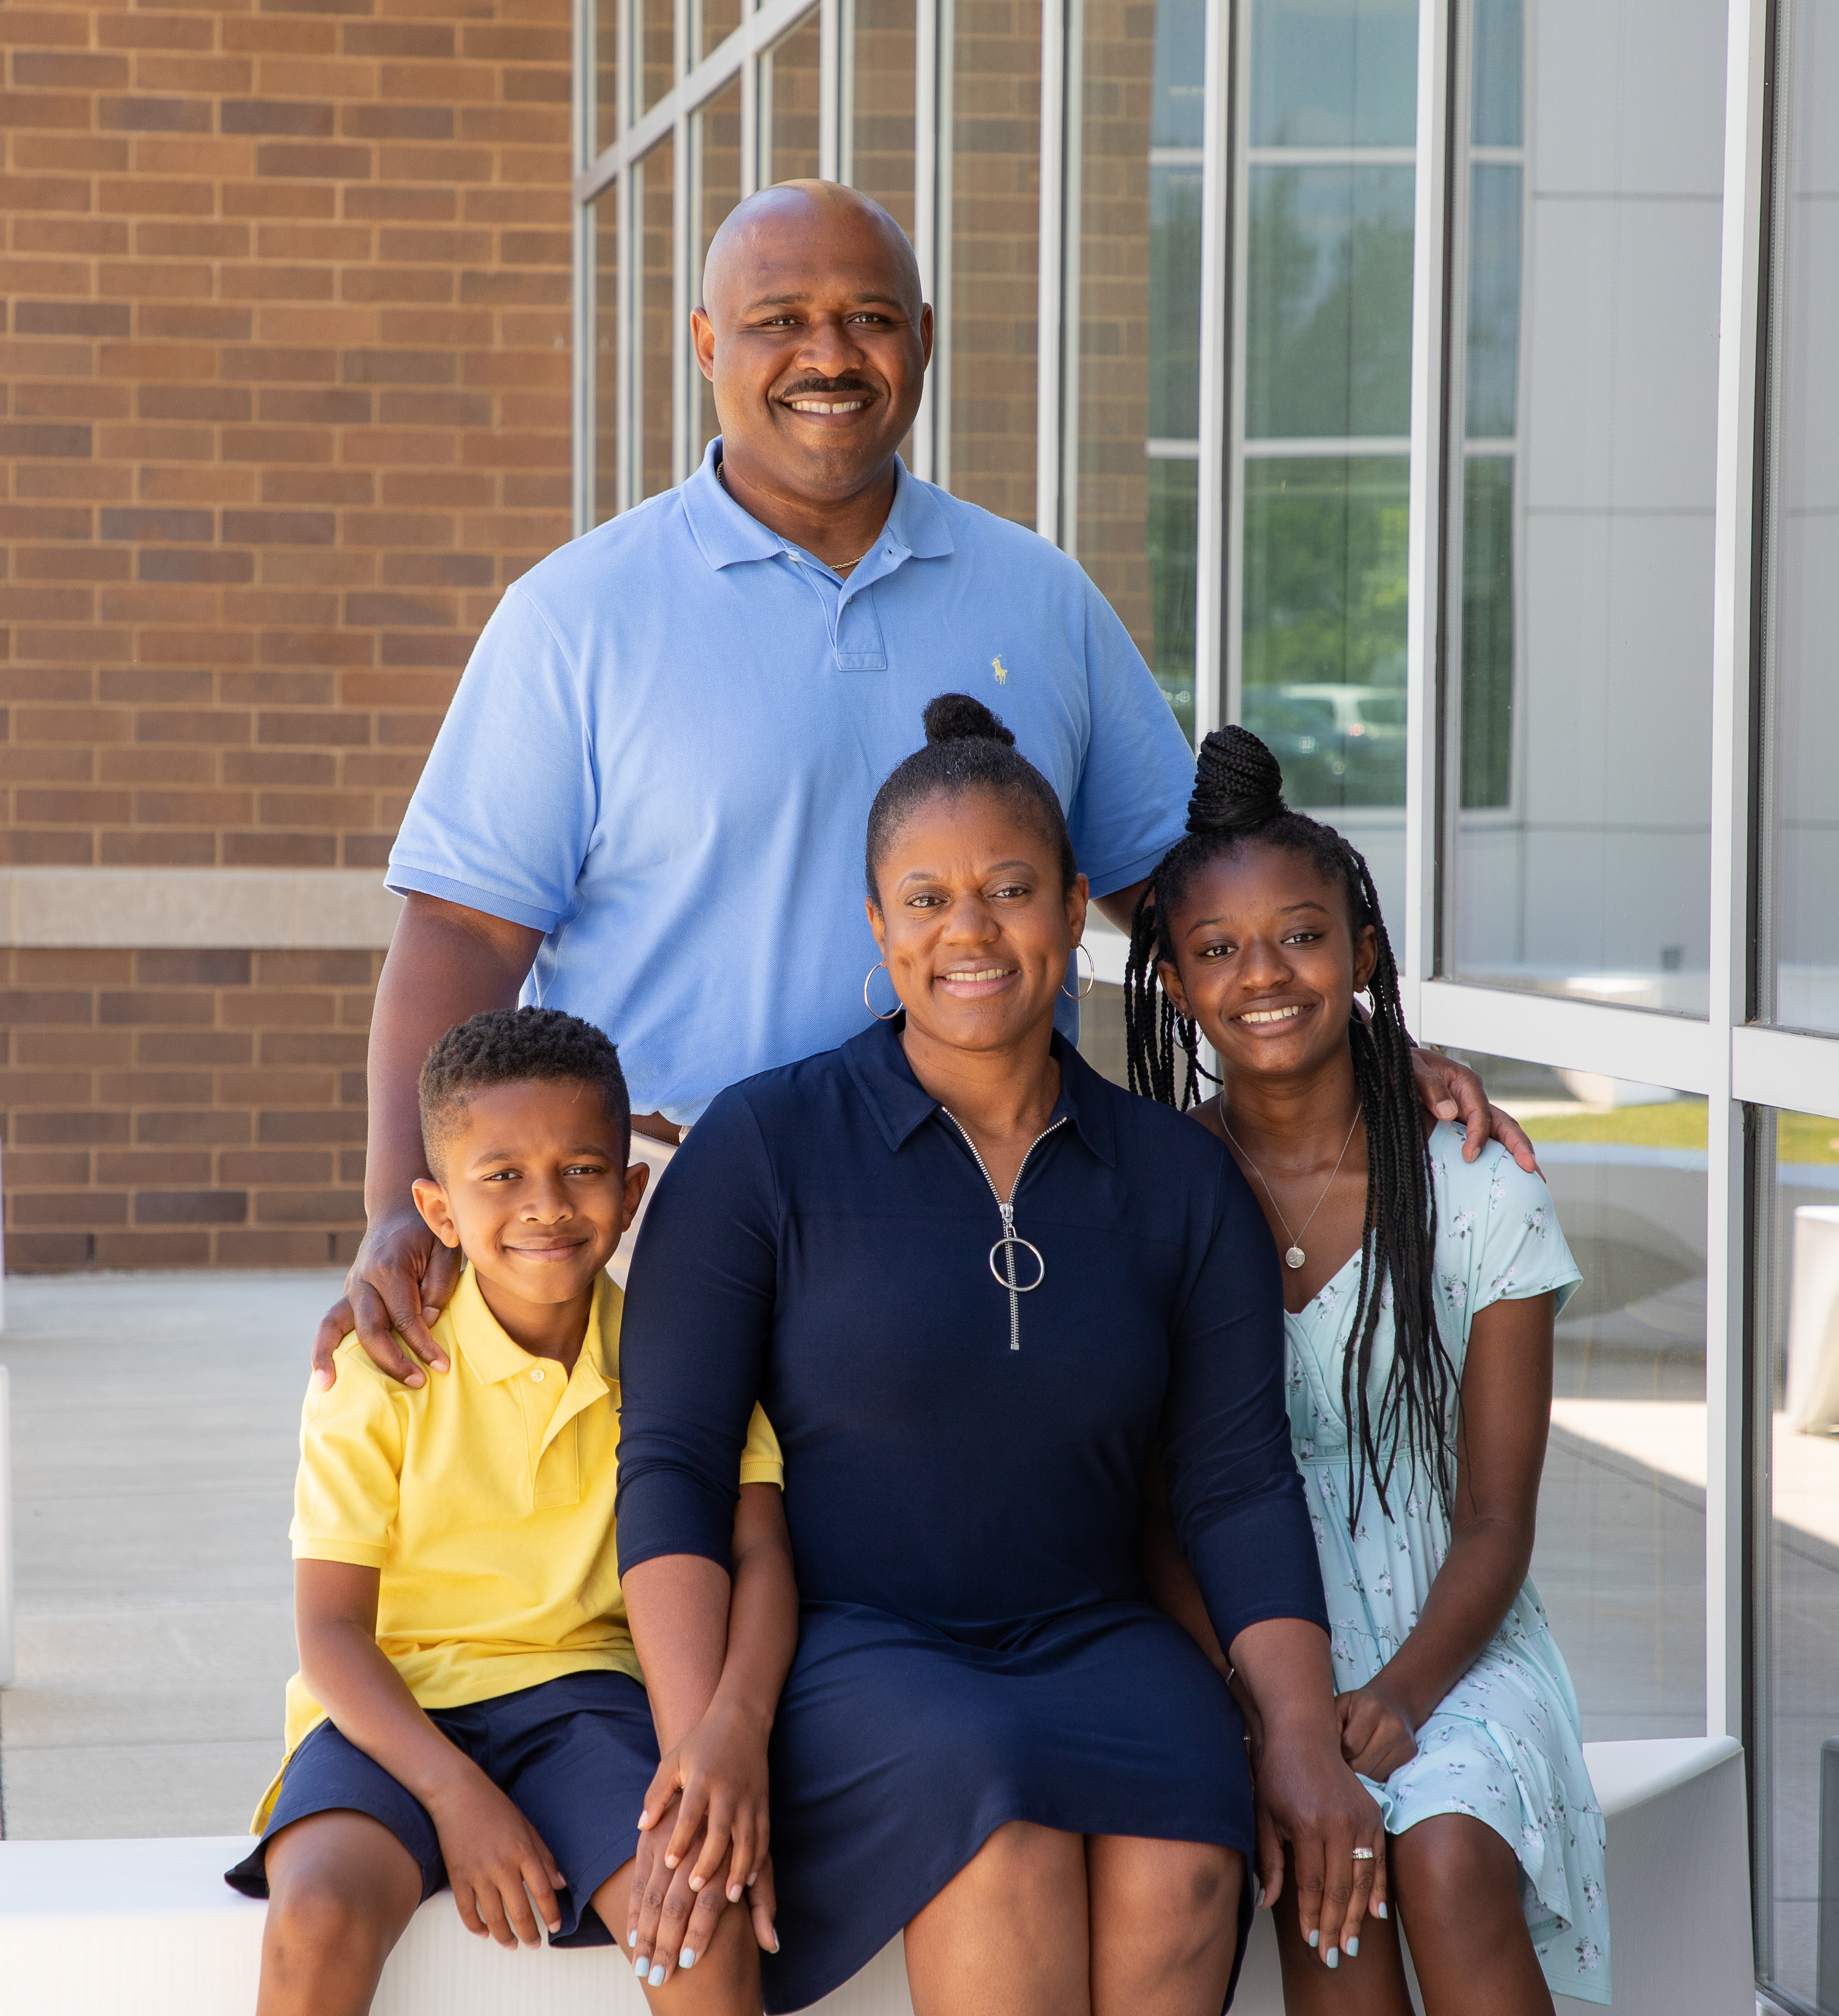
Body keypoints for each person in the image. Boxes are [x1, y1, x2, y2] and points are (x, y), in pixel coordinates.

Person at [311, 177, 1528, 1394]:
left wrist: (1352, 1054)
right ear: (704, 345)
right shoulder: (572, 619)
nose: (827, 355)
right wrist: (397, 1209)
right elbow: (465, 934)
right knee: (680, 1573)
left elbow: (1181, 895)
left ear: (924, 337)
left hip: (998, 1212)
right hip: (668, 1216)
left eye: (870, 318)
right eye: (778, 318)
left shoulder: (1039, 597)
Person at [613, 695, 1387, 2016]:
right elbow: (672, 1464)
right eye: (923, 900)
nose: (965, 932)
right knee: (999, 1839)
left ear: (1077, 905)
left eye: (1008, 890)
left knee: (1188, 1864)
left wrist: (1303, 1738)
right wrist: (704, 1738)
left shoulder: (1173, 1178)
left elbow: (1235, 1484)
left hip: (1098, 1632)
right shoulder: (763, 1150)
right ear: (874, 926)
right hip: (856, 1646)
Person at [1122, 726, 1609, 2014]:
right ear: (1171, 983)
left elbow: (1497, 1517)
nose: (1262, 974)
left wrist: (1396, 1696)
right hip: (1244, 1638)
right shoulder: (1151, 1195)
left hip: (1450, 1635)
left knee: (1443, 1856)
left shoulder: (1471, 1187)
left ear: (1362, 952)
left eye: (1299, 935)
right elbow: (1155, 1506)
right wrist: (1252, 1702)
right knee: (1332, 1890)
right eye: (1217, 950)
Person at [226, 1008, 797, 2016]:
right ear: (437, 1208)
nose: (546, 1205)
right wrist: (455, 1795)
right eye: (500, 1176)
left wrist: (730, 1732)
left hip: (590, 1705)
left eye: (581, 1169)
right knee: (316, 1912)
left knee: (696, 1923)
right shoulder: (378, 1370)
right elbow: (329, 1633)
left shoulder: (680, 1360)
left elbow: (760, 1556)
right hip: (392, 1713)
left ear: (629, 1192)